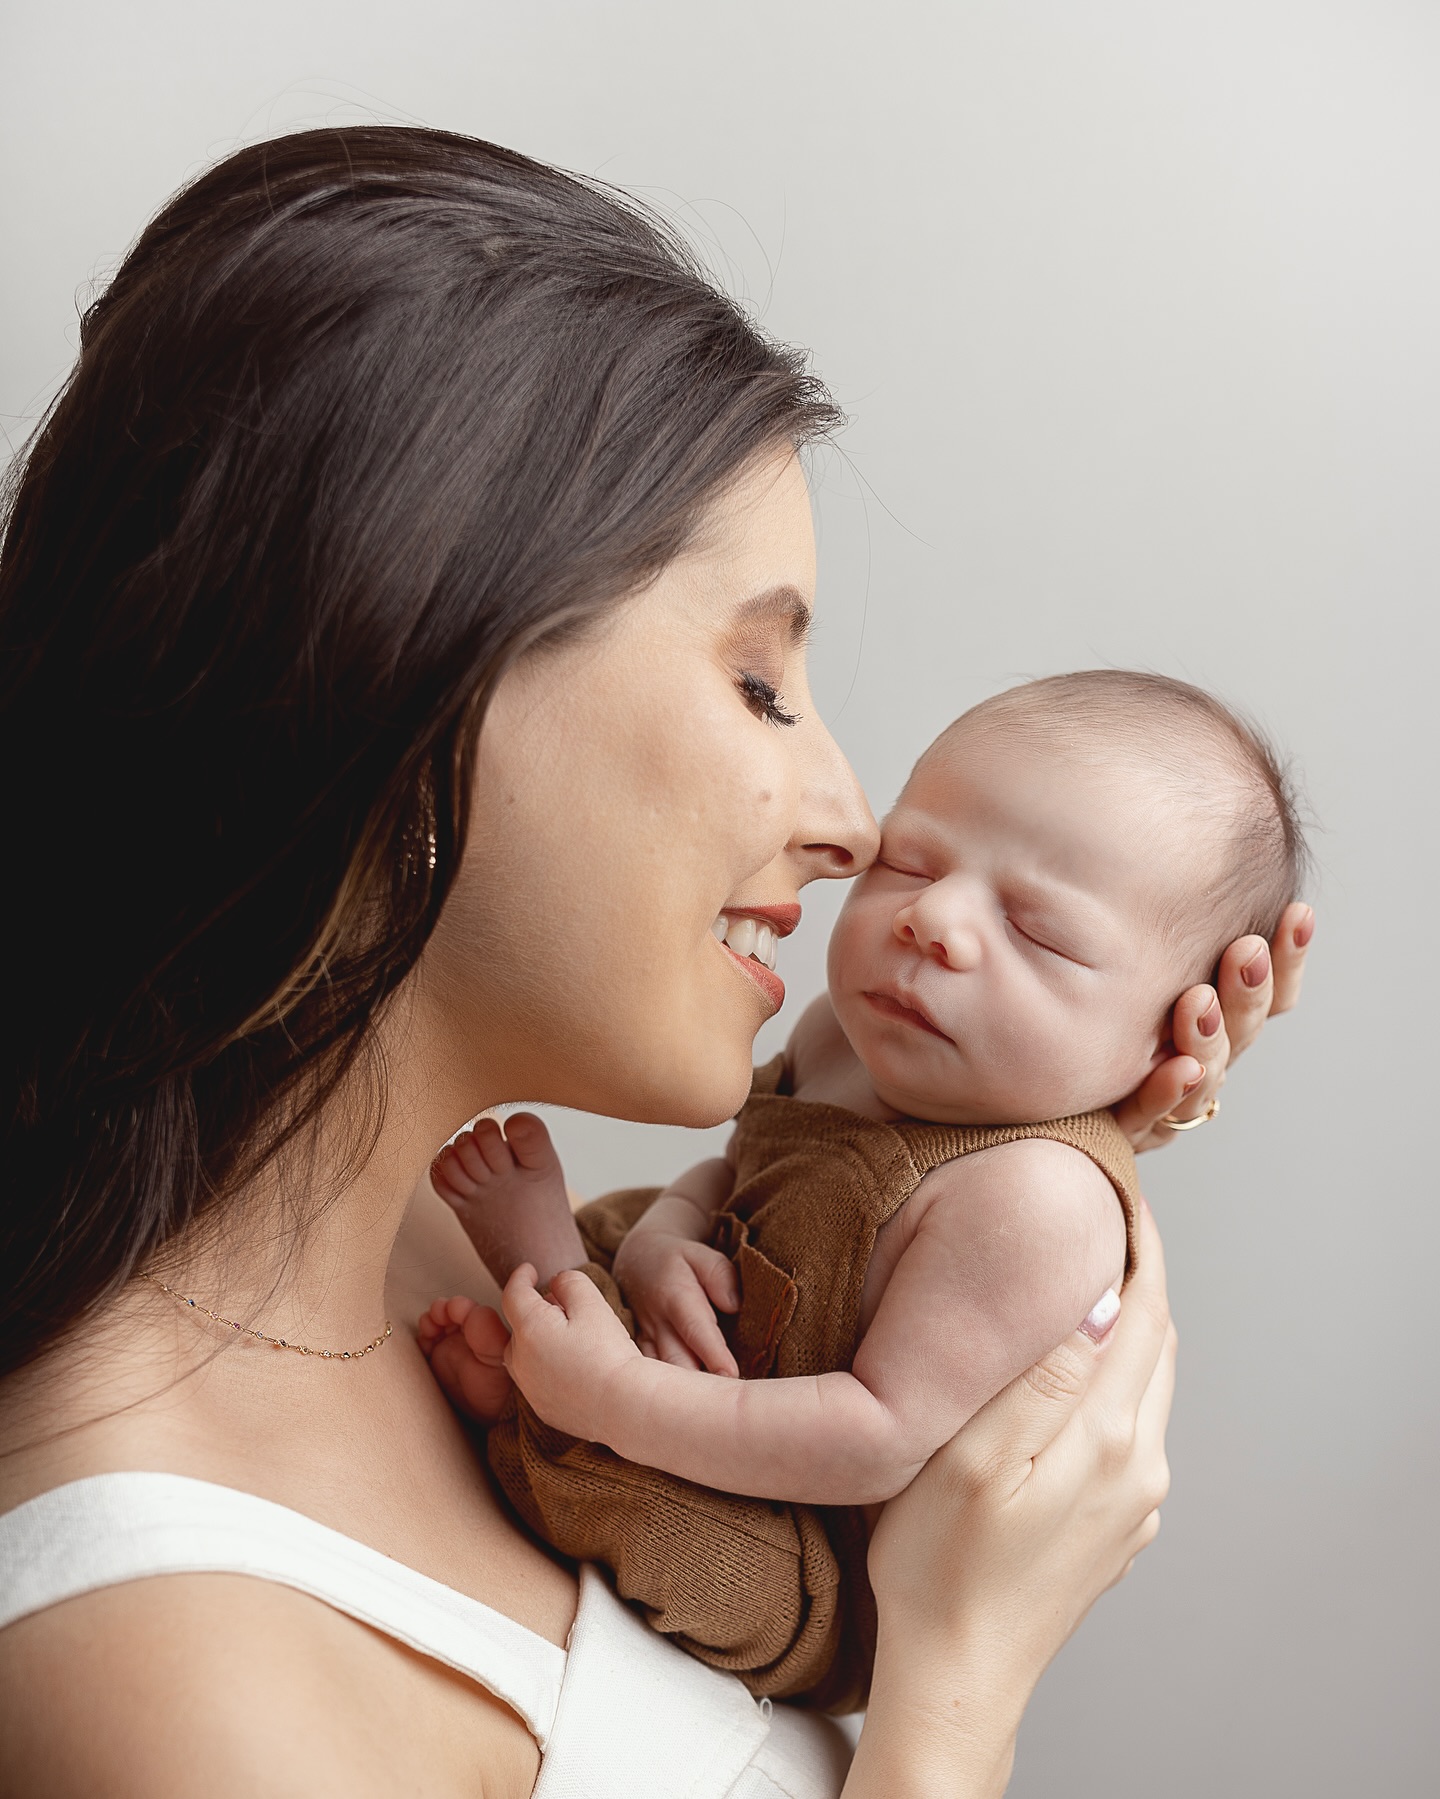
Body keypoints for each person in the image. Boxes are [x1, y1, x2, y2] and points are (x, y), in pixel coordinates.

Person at [0, 127, 1309, 1797]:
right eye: (762, 684)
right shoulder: (182, 1694)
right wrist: (959, 1690)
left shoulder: (412, 1234)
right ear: (409, 671)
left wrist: (1038, 1130)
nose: (851, 820)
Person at [421, 670, 1309, 1710]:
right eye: (912, 859)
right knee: (637, 1229)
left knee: (698, 1548)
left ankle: (555, 1390)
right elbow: (736, 1165)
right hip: (721, 1354)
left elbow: (874, 1436)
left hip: (810, 1546)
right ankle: (564, 1313)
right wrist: (671, 1230)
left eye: (1040, 932)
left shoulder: (1041, 1197)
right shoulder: (844, 1033)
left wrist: (621, 1401)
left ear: (1172, 1036)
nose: (933, 919)